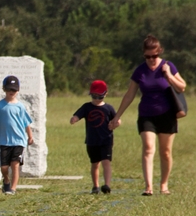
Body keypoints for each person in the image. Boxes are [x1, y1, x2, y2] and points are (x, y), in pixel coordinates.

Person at [108, 35, 186, 196]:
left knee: (165, 152)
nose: (151, 59)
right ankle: (148, 186)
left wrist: (169, 76)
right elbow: (129, 95)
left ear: (159, 52)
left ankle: (164, 184)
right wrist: (117, 116)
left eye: (154, 56)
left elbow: (182, 87)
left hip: (167, 115)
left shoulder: (168, 66)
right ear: (144, 54)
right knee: (148, 148)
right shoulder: (140, 71)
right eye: (147, 56)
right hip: (146, 115)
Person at [0, 75, 34, 195]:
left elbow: (26, 123)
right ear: (4, 89)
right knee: (4, 167)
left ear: (18, 90)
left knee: (15, 165)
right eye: (9, 89)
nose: (11, 92)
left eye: (14, 89)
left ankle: (13, 188)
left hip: (18, 141)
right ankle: (6, 180)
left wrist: (30, 136)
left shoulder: (20, 107)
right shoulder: (0, 105)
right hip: (4, 141)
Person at [70, 80, 116, 194]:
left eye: (99, 96)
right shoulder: (87, 107)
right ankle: (95, 186)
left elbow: (117, 120)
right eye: (94, 96)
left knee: (106, 162)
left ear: (105, 94)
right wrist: (74, 119)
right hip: (92, 140)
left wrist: (115, 124)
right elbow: (77, 115)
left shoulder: (108, 108)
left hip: (106, 140)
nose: (97, 99)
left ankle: (107, 185)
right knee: (95, 163)